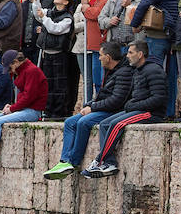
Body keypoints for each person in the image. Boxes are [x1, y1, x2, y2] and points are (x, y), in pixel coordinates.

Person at [44, 44, 135, 179]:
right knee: (70, 122)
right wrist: (91, 104)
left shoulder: (124, 73)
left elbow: (117, 100)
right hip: (101, 107)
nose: (99, 59)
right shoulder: (111, 71)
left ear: (108, 58)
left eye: (101, 55)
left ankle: (73, 162)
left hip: (113, 111)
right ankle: (64, 161)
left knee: (83, 122)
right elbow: (104, 95)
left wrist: (93, 108)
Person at [83, 40, 167, 178]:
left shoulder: (154, 70)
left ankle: (99, 161)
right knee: (105, 123)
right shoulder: (138, 71)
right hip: (137, 109)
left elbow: (158, 98)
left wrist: (134, 105)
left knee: (117, 124)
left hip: (151, 113)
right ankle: (109, 163)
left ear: (140, 54)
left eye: (130, 52)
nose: (127, 55)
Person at [31, 0, 78, 118]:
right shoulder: (51, 12)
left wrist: (44, 18)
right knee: (48, 83)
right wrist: (36, 0)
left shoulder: (67, 18)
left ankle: (58, 112)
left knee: (59, 85)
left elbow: (55, 29)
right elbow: (38, 13)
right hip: (47, 54)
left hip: (59, 54)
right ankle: (48, 109)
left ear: (66, 2)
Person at [82, 0, 119, 96]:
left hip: (101, 43)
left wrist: (86, 8)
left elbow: (96, 14)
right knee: (96, 79)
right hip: (95, 44)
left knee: (101, 80)